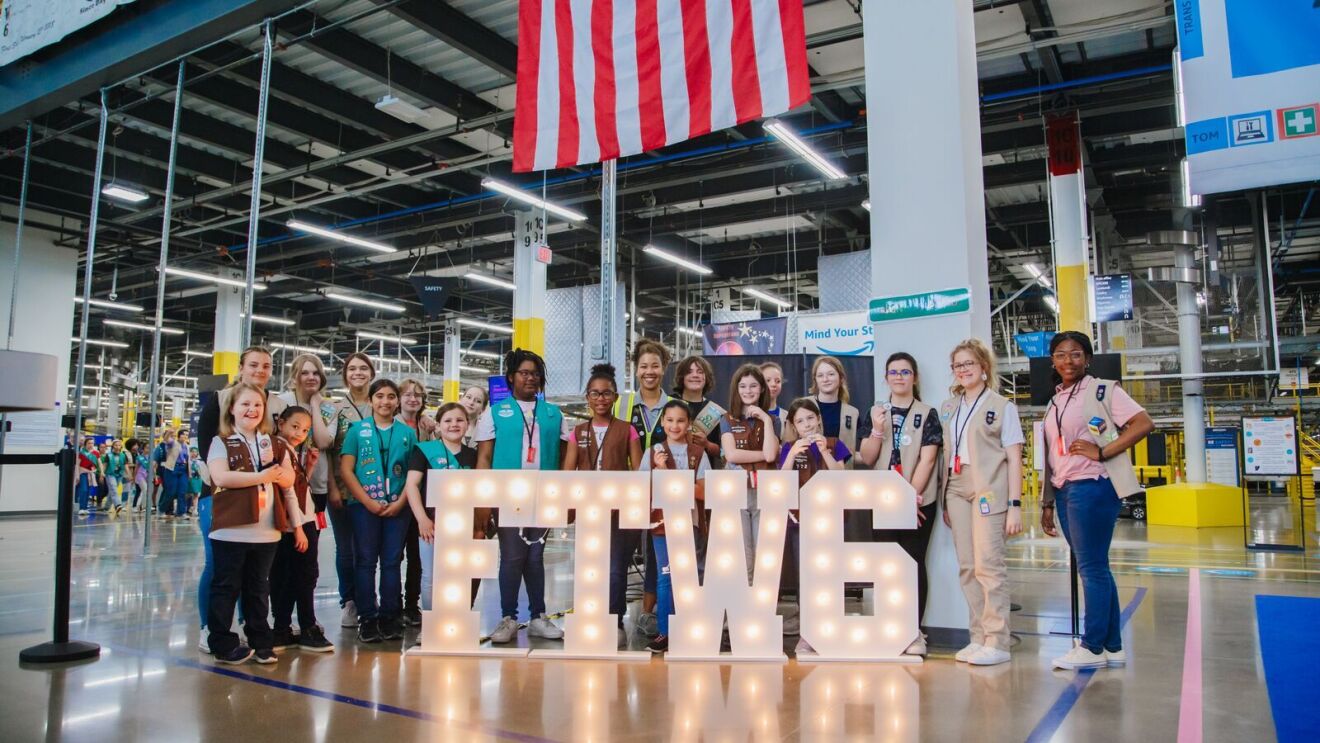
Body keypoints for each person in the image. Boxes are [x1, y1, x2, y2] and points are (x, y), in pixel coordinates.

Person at [1041, 331, 1154, 671]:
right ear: (1053, 361)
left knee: (1090, 567)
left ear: (1087, 358)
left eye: (1076, 354)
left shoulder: (1103, 389)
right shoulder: (1056, 399)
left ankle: (1091, 646)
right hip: (1065, 488)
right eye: (1061, 355)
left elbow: (1142, 423)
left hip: (1092, 485)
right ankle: (1112, 645)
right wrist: (1047, 501)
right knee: (1096, 566)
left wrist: (1102, 450)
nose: (1068, 361)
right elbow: (1051, 452)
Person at [195, 346, 290, 652]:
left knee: (253, 577)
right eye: (253, 364)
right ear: (240, 367)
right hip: (220, 499)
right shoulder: (219, 401)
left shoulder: (273, 406)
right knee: (219, 568)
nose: (260, 370)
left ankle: (246, 628)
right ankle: (210, 628)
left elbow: (279, 457)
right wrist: (260, 477)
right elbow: (212, 458)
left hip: (262, 508)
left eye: (266, 365)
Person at [474, 348, 570, 645]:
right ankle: (509, 617)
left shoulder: (554, 414)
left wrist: (561, 493)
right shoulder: (494, 412)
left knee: (536, 556)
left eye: (536, 373)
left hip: (543, 494)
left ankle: (539, 616)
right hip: (507, 495)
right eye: (524, 373)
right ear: (512, 377)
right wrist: (483, 502)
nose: (531, 378)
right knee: (513, 555)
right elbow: (484, 458)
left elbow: (566, 455)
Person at [939, 338, 1023, 667]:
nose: (962, 370)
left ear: (983, 367)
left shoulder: (1002, 406)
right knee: (967, 567)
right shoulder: (949, 406)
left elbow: (1014, 458)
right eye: (957, 365)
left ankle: (998, 639)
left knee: (990, 566)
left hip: (988, 487)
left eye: (968, 364)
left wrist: (1015, 504)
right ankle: (978, 636)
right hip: (956, 486)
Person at [205, 381, 301, 665]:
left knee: (259, 588)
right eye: (245, 404)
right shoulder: (220, 442)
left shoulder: (272, 443)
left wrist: (274, 474)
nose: (252, 410)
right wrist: (263, 477)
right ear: (232, 408)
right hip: (230, 530)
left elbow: (288, 478)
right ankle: (222, 642)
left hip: (266, 531)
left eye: (257, 405)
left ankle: (261, 640)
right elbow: (221, 477)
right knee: (225, 587)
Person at [855, 352, 943, 657]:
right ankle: (889, 627)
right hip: (881, 500)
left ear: (914, 377)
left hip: (919, 501)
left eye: (905, 372)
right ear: (886, 377)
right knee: (886, 567)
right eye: (893, 372)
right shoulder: (876, 412)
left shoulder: (927, 412)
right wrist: (877, 429)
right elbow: (866, 457)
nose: (899, 377)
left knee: (913, 563)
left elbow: (928, 458)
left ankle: (913, 631)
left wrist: (908, 498)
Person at [564, 363, 643, 648]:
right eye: (595, 394)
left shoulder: (627, 430)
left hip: (619, 509)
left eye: (607, 393)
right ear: (587, 397)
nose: (601, 399)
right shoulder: (578, 431)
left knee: (615, 568)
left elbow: (639, 472)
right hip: (588, 510)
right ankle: (590, 617)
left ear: (616, 397)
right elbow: (567, 472)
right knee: (589, 566)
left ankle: (615, 618)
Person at [339, 378, 417, 644]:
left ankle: (390, 616)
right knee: (365, 561)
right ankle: (368, 618)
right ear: (371, 400)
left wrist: (401, 502)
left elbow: (412, 473)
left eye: (391, 396)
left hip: (399, 506)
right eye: (380, 396)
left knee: (392, 562)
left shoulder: (407, 433)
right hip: (363, 507)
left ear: (397, 401)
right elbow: (347, 471)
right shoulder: (356, 431)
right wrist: (368, 502)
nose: (385, 401)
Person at [275, 354, 338, 650]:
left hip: (313, 490)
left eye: (316, 373)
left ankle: (307, 622)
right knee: (282, 563)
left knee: (307, 563)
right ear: (295, 374)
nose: (311, 377)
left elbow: (324, 442)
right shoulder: (280, 401)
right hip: (281, 489)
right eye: (305, 372)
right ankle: (282, 624)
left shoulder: (326, 408)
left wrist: (314, 406)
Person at [778, 398, 850, 654]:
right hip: (800, 520)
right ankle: (807, 632)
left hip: (829, 517)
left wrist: (825, 452)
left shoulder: (833, 443)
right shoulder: (788, 447)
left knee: (830, 573)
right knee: (804, 575)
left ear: (818, 419)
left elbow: (840, 475)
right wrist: (794, 453)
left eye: (810, 418)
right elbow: (781, 480)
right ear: (794, 426)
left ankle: (830, 628)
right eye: (800, 421)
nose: (806, 425)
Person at [612, 339, 672, 637]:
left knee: (656, 556)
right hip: (627, 490)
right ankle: (616, 616)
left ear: (664, 369)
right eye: (644, 366)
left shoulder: (677, 407)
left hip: (662, 494)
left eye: (655, 366)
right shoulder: (620, 404)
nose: (650, 372)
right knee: (621, 553)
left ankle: (648, 613)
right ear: (636, 370)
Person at [640, 400, 710, 654]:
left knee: (689, 575)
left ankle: (689, 627)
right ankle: (665, 632)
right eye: (669, 420)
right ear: (662, 422)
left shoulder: (698, 454)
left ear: (689, 423)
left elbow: (704, 490)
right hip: (662, 524)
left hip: (690, 522)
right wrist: (660, 471)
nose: (675, 425)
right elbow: (643, 487)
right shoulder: (653, 452)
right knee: (665, 575)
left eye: (680, 420)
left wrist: (671, 478)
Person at [404, 402, 479, 624]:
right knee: (430, 576)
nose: (453, 425)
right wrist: (422, 519)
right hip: (432, 525)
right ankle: (432, 624)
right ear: (438, 425)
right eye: (447, 420)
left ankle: (456, 621)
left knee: (460, 575)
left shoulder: (473, 455)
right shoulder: (424, 450)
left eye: (459, 420)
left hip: (463, 525)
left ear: (467, 424)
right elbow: (411, 486)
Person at [718, 364, 780, 583]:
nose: (748, 390)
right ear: (736, 389)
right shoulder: (727, 419)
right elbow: (732, 455)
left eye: (753, 385)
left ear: (762, 389)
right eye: (742, 386)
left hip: (765, 490)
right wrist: (761, 454)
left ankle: (760, 604)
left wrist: (765, 418)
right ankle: (742, 602)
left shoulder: (772, 420)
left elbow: (771, 455)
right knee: (742, 552)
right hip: (737, 490)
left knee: (764, 550)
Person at [328, 352, 375, 630]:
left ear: (371, 372)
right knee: (346, 549)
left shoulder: (381, 403)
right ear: (345, 375)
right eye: (352, 369)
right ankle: (349, 601)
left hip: (375, 490)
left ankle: (370, 601)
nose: (358, 373)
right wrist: (332, 487)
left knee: (369, 551)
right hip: (343, 490)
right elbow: (327, 453)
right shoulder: (333, 409)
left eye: (363, 368)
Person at [396, 378, 436, 627]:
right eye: (408, 394)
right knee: (393, 555)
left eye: (418, 395)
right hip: (399, 496)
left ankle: (412, 604)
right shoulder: (393, 424)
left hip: (421, 499)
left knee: (417, 556)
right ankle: (392, 603)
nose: (413, 399)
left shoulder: (427, 426)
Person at [806, 356, 859, 468]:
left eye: (831, 374)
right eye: (820, 375)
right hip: (809, 474)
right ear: (815, 380)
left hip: (843, 477)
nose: (825, 379)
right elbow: (788, 444)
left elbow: (855, 453)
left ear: (841, 378)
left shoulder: (853, 413)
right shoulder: (803, 406)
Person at [673, 355, 725, 466]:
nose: (695, 375)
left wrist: (707, 444)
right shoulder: (669, 403)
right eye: (689, 372)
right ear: (681, 377)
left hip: (702, 474)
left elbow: (722, 451)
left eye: (700, 372)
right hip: (671, 471)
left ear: (706, 378)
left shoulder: (715, 411)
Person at [153, 429, 190, 520]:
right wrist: (169, 432)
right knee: (171, 492)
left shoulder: (187, 446)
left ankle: (181, 512)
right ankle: (161, 509)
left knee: (182, 492)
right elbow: (166, 439)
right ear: (179, 435)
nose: (185, 436)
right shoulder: (173, 443)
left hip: (183, 469)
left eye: (187, 435)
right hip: (172, 469)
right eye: (183, 434)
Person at [102, 439, 129, 515]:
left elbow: (126, 466)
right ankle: (118, 505)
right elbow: (105, 465)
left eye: (119, 445)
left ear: (121, 446)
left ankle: (107, 507)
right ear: (113, 446)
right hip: (110, 474)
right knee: (114, 489)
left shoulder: (123, 455)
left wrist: (129, 475)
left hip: (119, 475)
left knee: (112, 491)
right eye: (116, 445)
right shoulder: (108, 455)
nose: (117, 447)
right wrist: (102, 473)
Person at [75, 437, 98, 517]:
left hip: (91, 474)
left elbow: (98, 463)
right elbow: (77, 464)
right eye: (89, 443)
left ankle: (85, 508)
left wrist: (101, 472)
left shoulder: (95, 453)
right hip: (82, 473)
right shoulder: (81, 453)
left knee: (88, 490)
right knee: (83, 489)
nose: (91, 445)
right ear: (85, 444)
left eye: (92, 443)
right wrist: (77, 475)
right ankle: (81, 508)